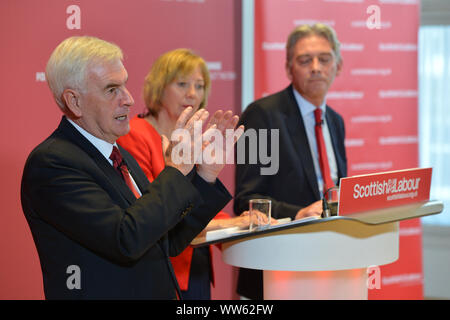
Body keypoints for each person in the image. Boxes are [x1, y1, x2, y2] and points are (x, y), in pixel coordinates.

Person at [20, 36, 243, 299]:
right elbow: (126, 239)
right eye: (111, 89)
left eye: (124, 85)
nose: (127, 99)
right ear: (74, 101)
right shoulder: (52, 163)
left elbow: (166, 239)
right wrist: (175, 170)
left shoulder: (118, 154)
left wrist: (205, 175)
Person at [117, 48, 263, 300]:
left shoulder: (192, 137)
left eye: (200, 85)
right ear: (159, 87)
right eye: (182, 83)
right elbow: (153, 213)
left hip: (196, 263)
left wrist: (243, 221)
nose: (192, 94)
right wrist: (231, 224)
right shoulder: (135, 135)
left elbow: (198, 201)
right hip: (165, 268)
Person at [234, 23, 348, 299]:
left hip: (330, 265)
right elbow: (247, 199)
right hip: (277, 270)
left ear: (338, 65)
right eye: (304, 60)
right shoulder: (262, 116)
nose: (316, 67)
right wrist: (298, 214)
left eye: (324, 58)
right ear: (289, 69)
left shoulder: (335, 121)